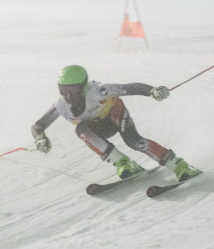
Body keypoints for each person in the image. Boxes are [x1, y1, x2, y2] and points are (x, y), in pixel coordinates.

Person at [31, 64, 201, 182]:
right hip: (98, 127)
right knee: (81, 129)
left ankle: (180, 166)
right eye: (63, 90)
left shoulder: (98, 90)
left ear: (83, 87)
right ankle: (123, 163)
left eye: (73, 90)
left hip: (115, 115)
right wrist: (40, 138)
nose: (68, 95)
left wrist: (152, 91)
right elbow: (38, 126)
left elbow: (130, 87)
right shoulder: (61, 106)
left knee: (133, 141)